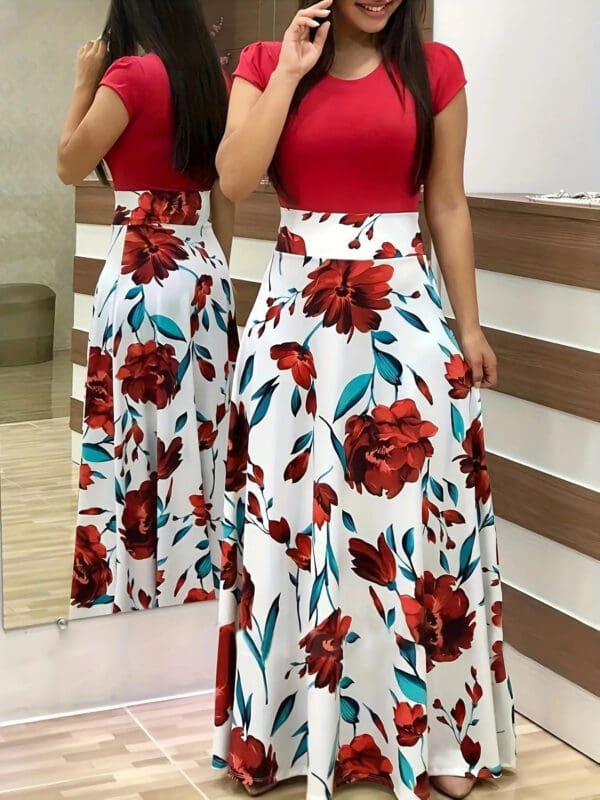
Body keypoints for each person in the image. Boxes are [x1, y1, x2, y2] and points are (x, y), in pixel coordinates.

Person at [212, 0, 516, 798]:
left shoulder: (436, 69)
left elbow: (447, 202)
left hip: (407, 319)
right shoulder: (259, 64)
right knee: (296, 527)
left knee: (410, 527)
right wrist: (288, 71)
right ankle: (287, 738)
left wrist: (471, 328)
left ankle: (435, 741)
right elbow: (235, 180)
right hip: (295, 332)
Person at [57, 0, 237, 617]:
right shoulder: (211, 79)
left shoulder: (129, 76)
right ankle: (198, 590)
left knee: (136, 435)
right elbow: (226, 195)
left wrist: (83, 82)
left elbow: (69, 164)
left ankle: (135, 592)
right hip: (204, 272)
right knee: (201, 436)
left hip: (139, 269)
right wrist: (210, 271)